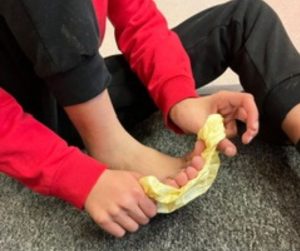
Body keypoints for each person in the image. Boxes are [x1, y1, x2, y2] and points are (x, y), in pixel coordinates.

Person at [0, 0, 299, 238]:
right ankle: (110, 143)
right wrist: (77, 176)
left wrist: (180, 98)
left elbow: (139, 20)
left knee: (245, 18)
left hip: (87, 88)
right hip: (29, 118)